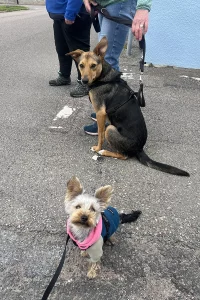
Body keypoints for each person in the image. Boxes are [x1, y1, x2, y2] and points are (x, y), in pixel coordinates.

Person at [83, 0, 152, 134]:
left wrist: (143, 7)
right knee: (106, 59)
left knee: (107, 61)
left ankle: (110, 119)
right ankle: (106, 110)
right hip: (105, 5)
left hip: (119, 3)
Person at [46, 0, 92, 97]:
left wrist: (71, 12)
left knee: (79, 52)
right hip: (59, 14)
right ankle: (64, 75)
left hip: (75, 13)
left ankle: (85, 83)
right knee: (62, 49)